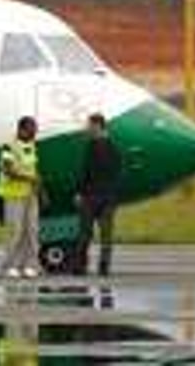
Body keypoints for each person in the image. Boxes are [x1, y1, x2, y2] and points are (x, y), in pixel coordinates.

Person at [74, 113, 121, 276]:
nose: (87, 128)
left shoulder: (91, 146)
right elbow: (117, 173)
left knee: (85, 234)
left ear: (98, 126)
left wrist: (79, 192)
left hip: (91, 196)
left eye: (90, 125)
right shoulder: (114, 148)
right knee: (106, 234)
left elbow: (85, 171)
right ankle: (104, 267)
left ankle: (80, 266)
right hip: (108, 197)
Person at [0, 115, 42, 279]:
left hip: (30, 195)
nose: (35, 132)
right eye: (32, 129)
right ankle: (10, 265)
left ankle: (30, 265)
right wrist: (29, 179)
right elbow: (8, 170)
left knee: (31, 230)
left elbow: (33, 169)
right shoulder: (9, 146)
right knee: (15, 231)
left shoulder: (31, 145)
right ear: (22, 129)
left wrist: (40, 190)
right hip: (13, 194)